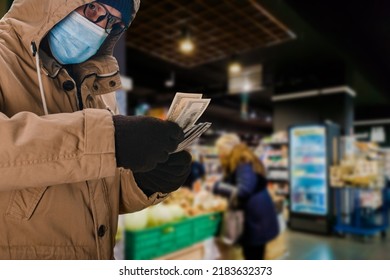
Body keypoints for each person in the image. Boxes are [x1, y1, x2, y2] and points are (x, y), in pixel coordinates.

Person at [0, 0, 191, 260]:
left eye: (112, 23)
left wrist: (142, 182)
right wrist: (107, 139)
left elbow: (89, 188)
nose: (99, 28)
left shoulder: (93, 86)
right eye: (93, 9)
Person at [209, 133, 279, 260]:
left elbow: (244, 190)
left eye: (220, 150)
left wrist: (218, 186)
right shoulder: (244, 159)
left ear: (227, 149)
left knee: (253, 256)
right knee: (255, 255)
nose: (219, 154)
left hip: (254, 218)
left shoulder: (242, 162)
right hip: (258, 213)